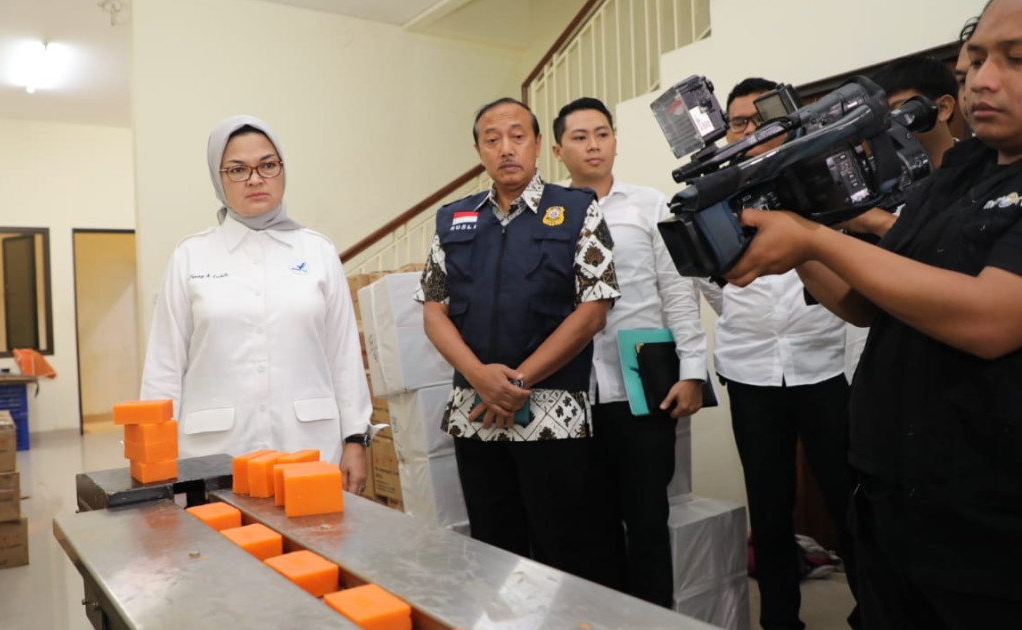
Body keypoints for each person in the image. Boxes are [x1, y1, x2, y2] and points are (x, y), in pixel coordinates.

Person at [722, 2, 1022, 625]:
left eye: (1016, 61)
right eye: (974, 61)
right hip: (897, 496)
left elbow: (992, 320)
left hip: (990, 518)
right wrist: (791, 245)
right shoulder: (953, 174)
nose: (984, 80)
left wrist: (814, 238)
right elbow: (864, 303)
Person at [415, 97, 623, 587]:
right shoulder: (453, 218)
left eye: (517, 136)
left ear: (537, 145)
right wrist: (480, 378)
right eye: (492, 139)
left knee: (563, 554)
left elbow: (593, 310)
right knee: (492, 552)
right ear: (479, 151)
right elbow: (433, 311)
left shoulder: (577, 209)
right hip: (476, 412)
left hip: (552, 414)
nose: (505, 148)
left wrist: (516, 381)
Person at [698, 78, 859, 630]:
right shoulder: (715, 194)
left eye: (760, 120)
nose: (749, 131)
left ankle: (875, 610)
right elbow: (710, 282)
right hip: (750, 370)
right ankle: (780, 622)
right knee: (768, 509)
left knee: (848, 500)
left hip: (823, 365)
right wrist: (750, 317)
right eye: (738, 123)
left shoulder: (817, 180)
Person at [141, 115, 370, 493]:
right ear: (218, 179)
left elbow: (343, 354)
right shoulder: (190, 256)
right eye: (237, 169)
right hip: (214, 452)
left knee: (311, 531)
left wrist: (355, 438)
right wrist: (153, 457)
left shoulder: (317, 251)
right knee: (218, 531)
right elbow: (164, 367)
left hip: (309, 446)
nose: (255, 178)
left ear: (282, 169)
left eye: (267, 165)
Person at [551, 96, 707, 606]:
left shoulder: (649, 204)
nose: (593, 145)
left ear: (615, 141)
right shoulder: (548, 215)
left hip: (643, 391)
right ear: (558, 150)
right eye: (579, 137)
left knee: (647, 524)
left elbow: (678, 291)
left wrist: (693, 372)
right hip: (572, 394)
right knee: (588, 530)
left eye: (602, 133)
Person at [842, 56, 960, 239]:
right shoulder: (878, 187)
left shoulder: (982, 169)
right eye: (877, 116)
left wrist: (876, 222)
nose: (885, 124)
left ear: (943, 108)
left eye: (898, 110)